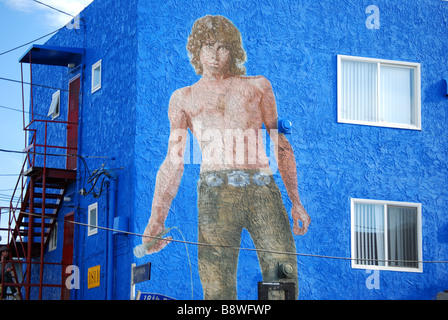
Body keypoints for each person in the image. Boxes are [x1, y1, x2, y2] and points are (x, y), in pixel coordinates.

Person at [142, 15, 311, 300]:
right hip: (215, 191)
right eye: (207, 46)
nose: (214, 54)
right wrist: (156, 219)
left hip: (262, 188)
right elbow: (173, 160)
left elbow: (280, 143)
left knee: (282, 276)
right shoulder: (183, 98)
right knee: (217, 288)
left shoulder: (258, 86)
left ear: (233, 50)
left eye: (222, 46)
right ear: (197, 50)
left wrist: (296, 201)